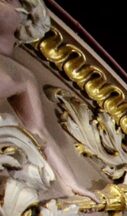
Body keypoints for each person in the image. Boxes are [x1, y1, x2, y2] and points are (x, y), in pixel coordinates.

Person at [0, 0, 93, 199]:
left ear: (24, 18)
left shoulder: (23, 77)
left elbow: (38, 131)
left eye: (6, 1)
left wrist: (72, 182)